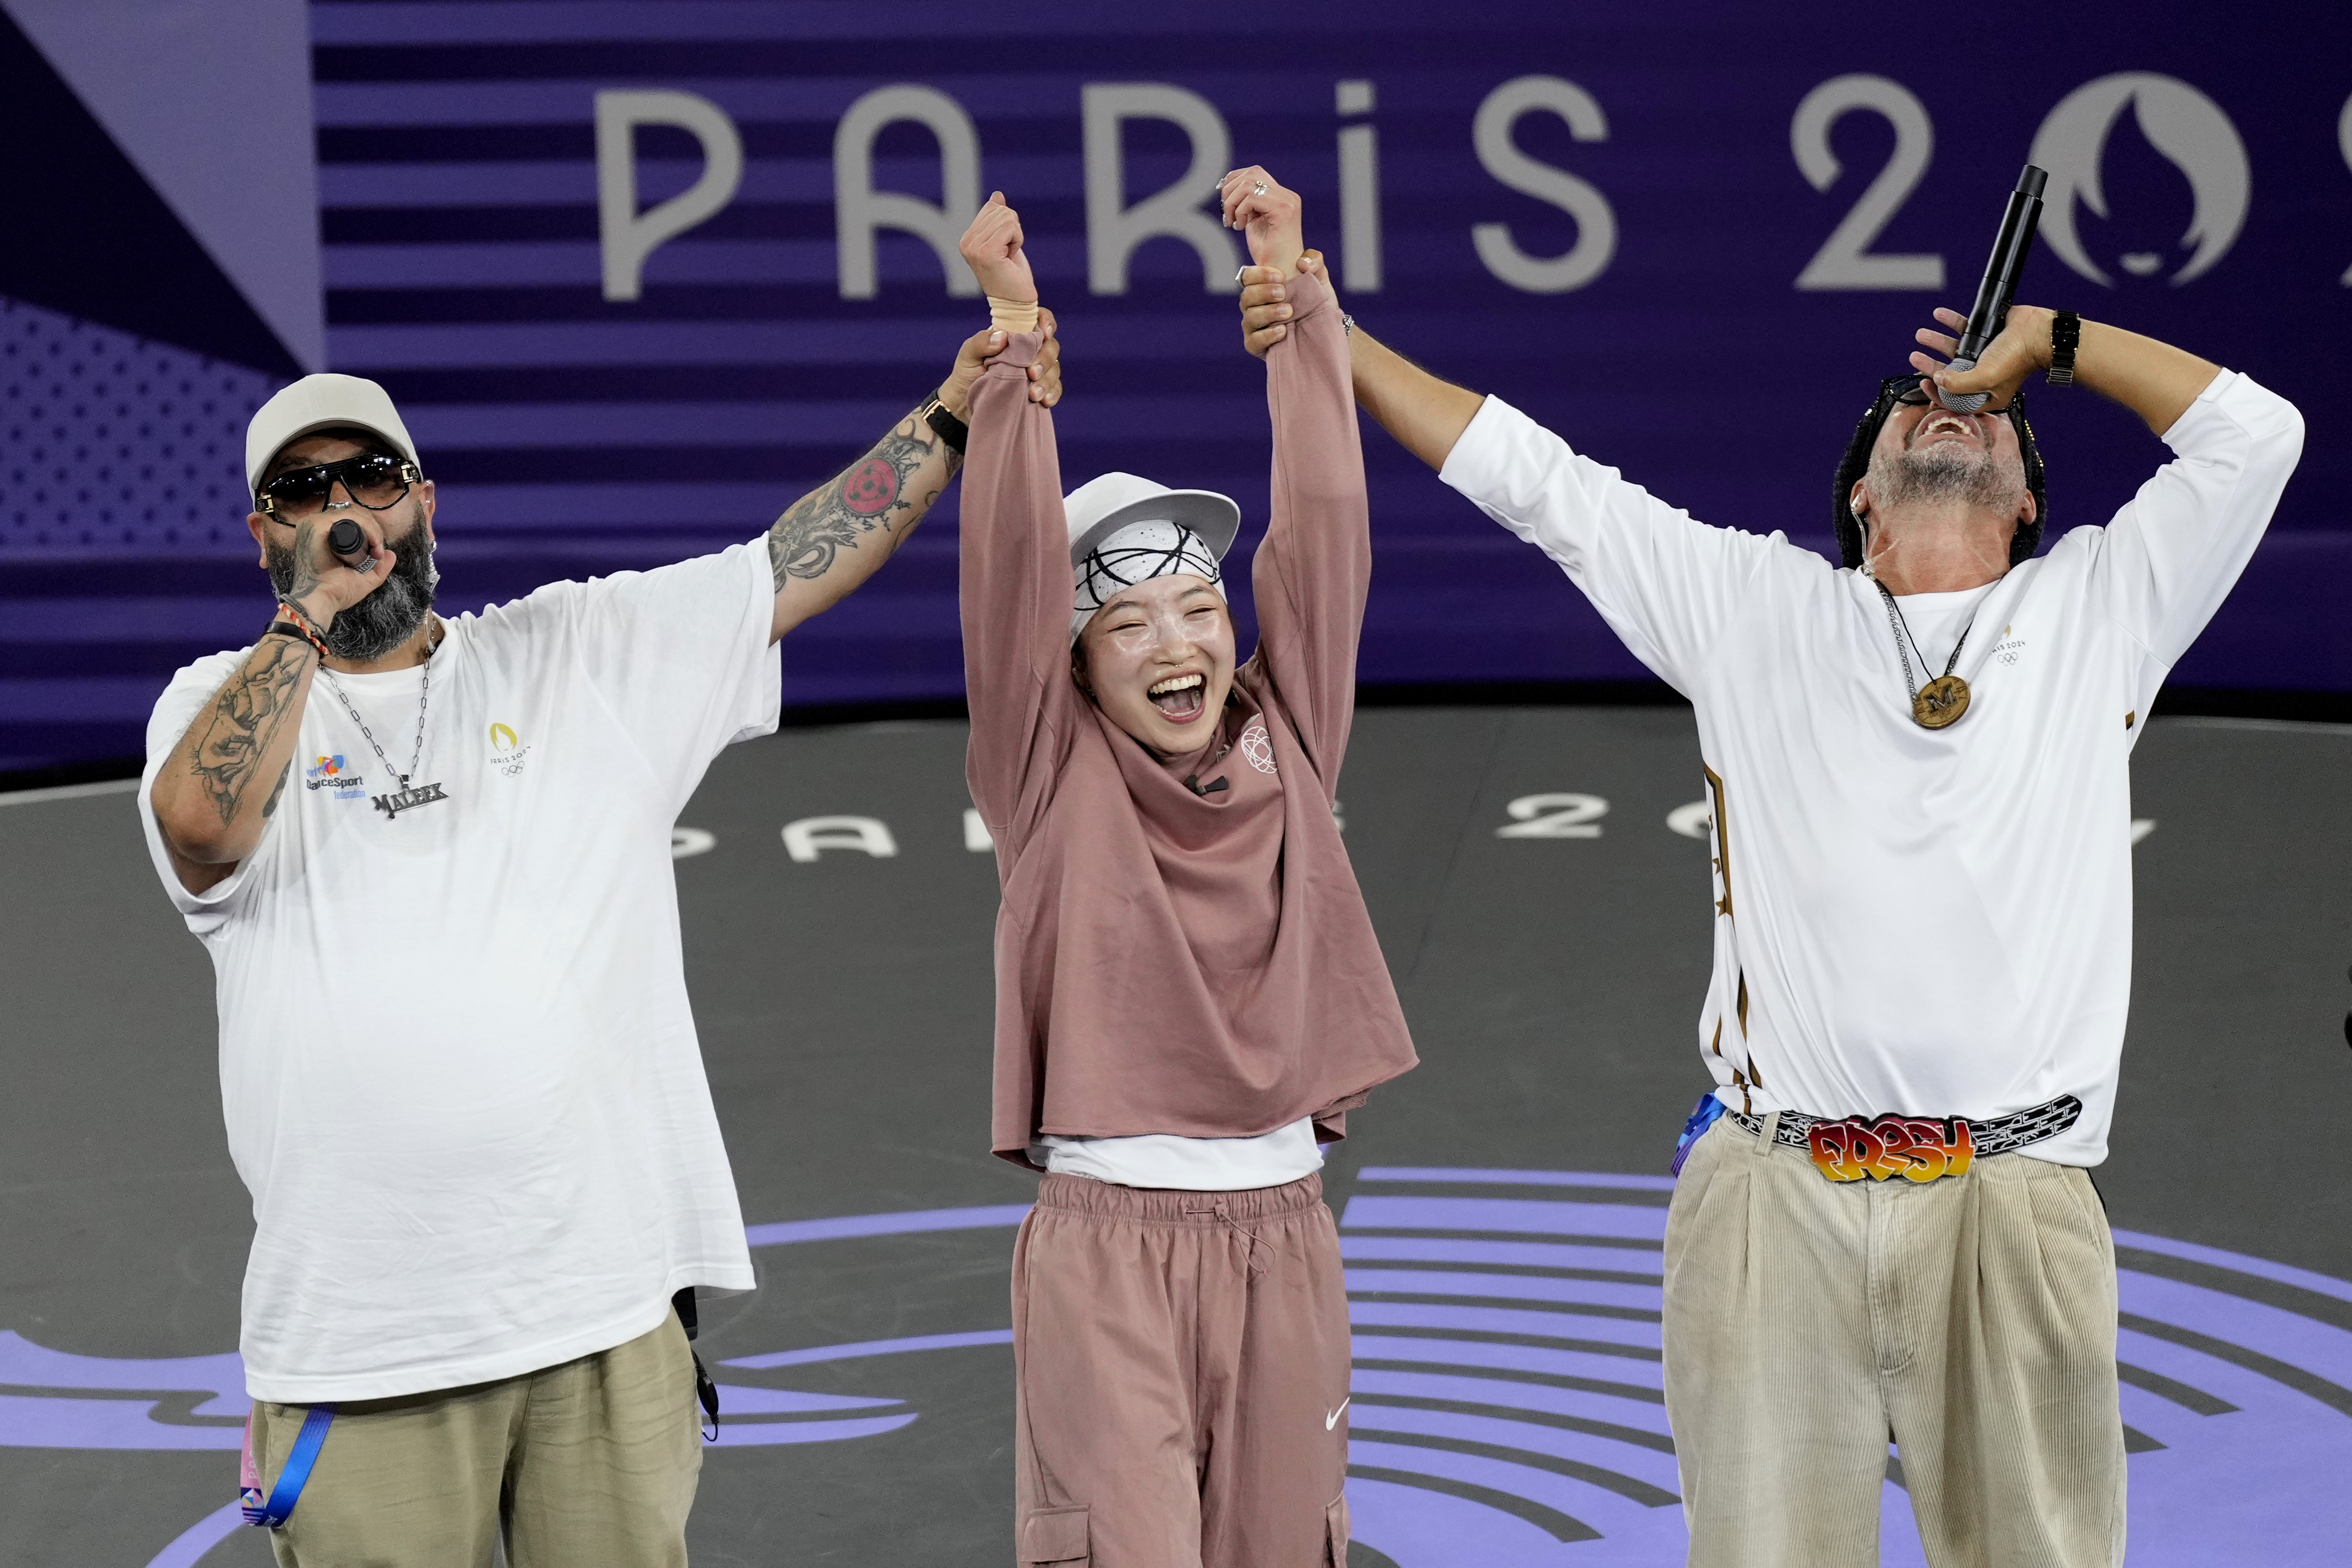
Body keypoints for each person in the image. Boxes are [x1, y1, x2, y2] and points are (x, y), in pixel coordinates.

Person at [1240, 277, 2303, 1566]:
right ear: (1862, 499)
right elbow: (1534, 479)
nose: (1948, 402)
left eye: (1990, 408)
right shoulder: (1754, 606)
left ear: (2030, 501)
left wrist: (2058, 343)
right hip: (1772, 1199)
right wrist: (1335, 340)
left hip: (2013, 1203)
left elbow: (2257, 435)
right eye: (1911, 400)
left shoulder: (2101, 605)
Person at [137, 330, 1059, 1565]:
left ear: (424, 501)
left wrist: (953, 408)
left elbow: (798, 560)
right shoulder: (212, 703)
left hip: (604, 1319)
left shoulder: (576, 652)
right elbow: (202, 829)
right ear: (264, 533)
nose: (345, 510)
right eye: (305, 491)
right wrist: (310, 616)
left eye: (373, 476)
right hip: (365, 1345)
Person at [955, 174, 1416, 1568]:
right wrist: (1015, 343)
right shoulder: (1045, 773)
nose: (1179, 645)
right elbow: (1007, 574)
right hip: (1108, 1244)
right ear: (1076, 662)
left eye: (1200, 607)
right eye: (1130, 622)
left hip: (1285, 1231)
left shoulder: (1291, 736)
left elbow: (1324, 532)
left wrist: (1301, 318)